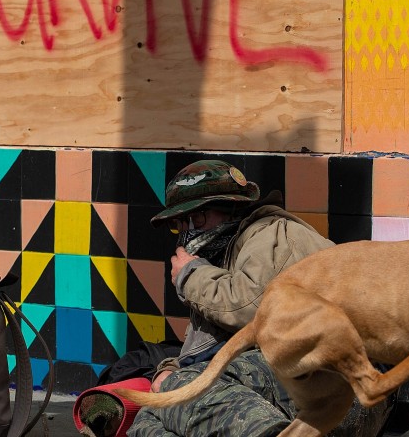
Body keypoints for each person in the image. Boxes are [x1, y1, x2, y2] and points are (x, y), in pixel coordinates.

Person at [127, 159, 338, 437]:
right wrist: (170, 371)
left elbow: (251, 310)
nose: (189, 230)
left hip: (336, 384)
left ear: (232, 207)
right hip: (286, 382)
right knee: (151, 416)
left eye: (197, 218)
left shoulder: (273, 234)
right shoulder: (227, 256)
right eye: (180, 223)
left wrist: (190, 276)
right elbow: (211, 345)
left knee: (186, 386)